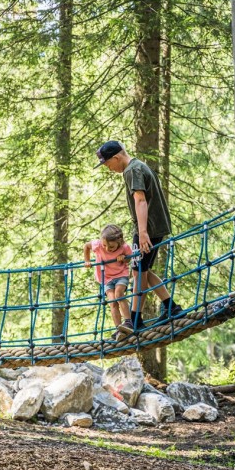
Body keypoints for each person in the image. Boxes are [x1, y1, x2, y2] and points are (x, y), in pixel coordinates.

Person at [94, 141, 183, 333]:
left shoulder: (131, 171)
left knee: (138, 271)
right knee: (142, 269)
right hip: (151, 227)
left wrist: (142, 233)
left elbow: (140, 200)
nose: (109, 169)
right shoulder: (137, 166)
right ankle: (170, 307)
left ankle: (135, 320)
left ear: (116, 158)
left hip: (147, 229)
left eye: (107, 164)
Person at [84, 224, 133, 337]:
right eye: (105, 245)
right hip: (106, 278)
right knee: (112, 302)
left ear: (119, 242)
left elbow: (129, 259)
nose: (107, 249)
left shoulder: (124, 247)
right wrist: (87, 260)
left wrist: (124, 258)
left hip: (121, 275)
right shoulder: (98, 244)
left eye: (111, 247)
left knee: (119, 294)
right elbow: (86, 246)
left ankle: (128, 322)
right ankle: (119, 329)